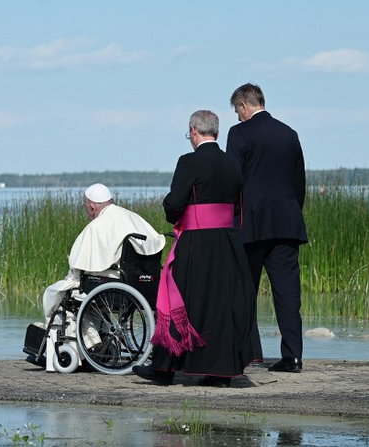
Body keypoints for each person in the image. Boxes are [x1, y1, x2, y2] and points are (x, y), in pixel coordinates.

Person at [133, 110, 259, 387]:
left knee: (180, 301)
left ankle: (164, 369)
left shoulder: (188, 161)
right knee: (220, 305)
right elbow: (239, 205)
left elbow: (175, 203)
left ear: (193, 131)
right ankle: (220, 372)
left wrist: (170, 210)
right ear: (217, 131)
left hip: (197, 243)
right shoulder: (232, 163)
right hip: (227, 243)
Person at [226, 83, 308, 373]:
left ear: (245, 106)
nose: (237, 117)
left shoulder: (239, 134)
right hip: (287, 223)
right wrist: (290, 211)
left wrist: (233, 217)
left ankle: (248, 354)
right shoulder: (289, 133)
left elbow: (233, 178)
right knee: (287, 294)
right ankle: (293, 356)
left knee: (243, 290)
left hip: (251, 225)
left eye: (237, 111)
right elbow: (299, 183)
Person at [41, 183, 165, 319]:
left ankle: (89, 340)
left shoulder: (97, 226)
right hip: (144, 284)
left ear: (92, 207)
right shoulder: (134, 217)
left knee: (56, 294)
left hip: (115, 285)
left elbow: (77, 267)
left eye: (85, 207)